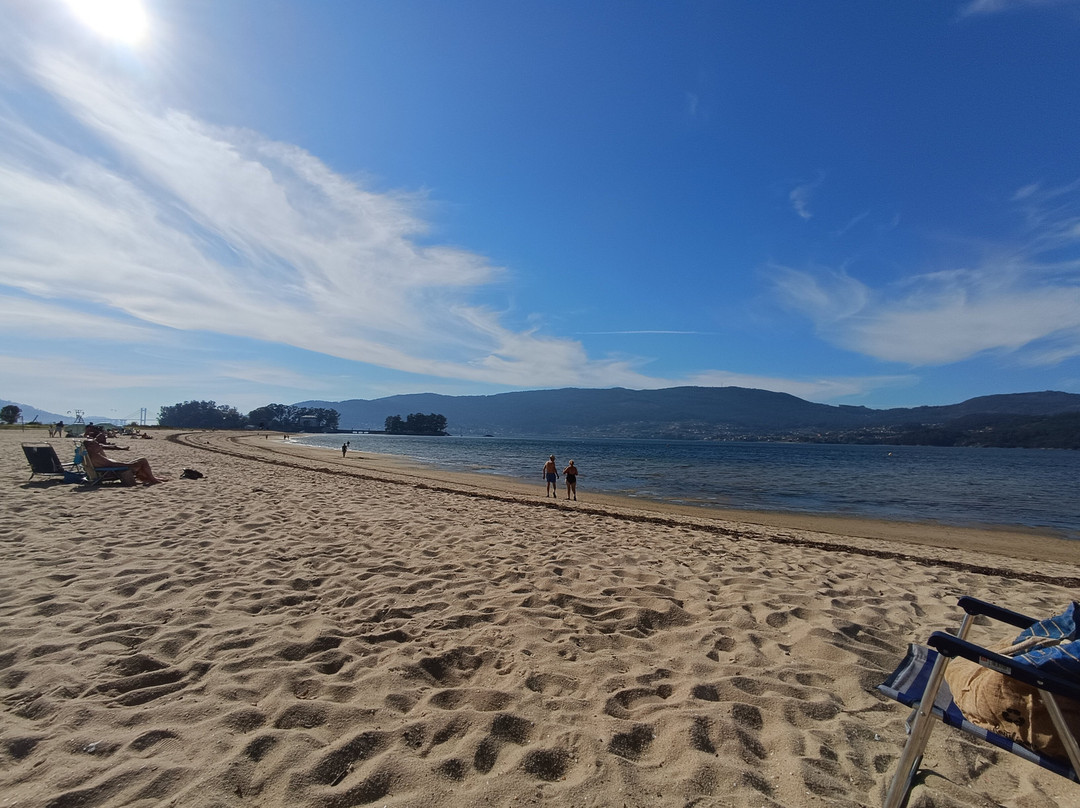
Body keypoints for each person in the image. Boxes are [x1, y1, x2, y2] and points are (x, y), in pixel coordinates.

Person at [81, 439, 166, 485]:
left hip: (110, 470)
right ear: (90, 447)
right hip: (114, 471)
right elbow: (112, 464)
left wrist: (100, 450)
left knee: (138, 462)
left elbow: (107, 462)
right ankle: (152, 479)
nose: (98, 445)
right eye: (95, 443)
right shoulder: (95, 456)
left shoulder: (89, 455)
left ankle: (150, 478)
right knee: (143, 460)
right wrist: (127, 464)